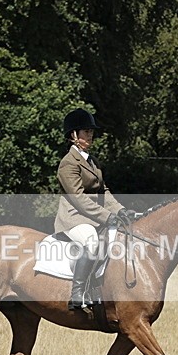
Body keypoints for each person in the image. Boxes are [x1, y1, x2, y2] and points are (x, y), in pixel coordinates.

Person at [54, 108, 136, 310]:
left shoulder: (92, 161)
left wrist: (120, 210)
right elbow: (79, 199)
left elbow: (104, 192)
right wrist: (107, 216)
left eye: (91, 131)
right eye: (85, 131)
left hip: (95, 217)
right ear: (74, 135)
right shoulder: (68, 164)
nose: (90, 135)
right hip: (74, 219)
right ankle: (78, 293)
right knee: (91, 242)